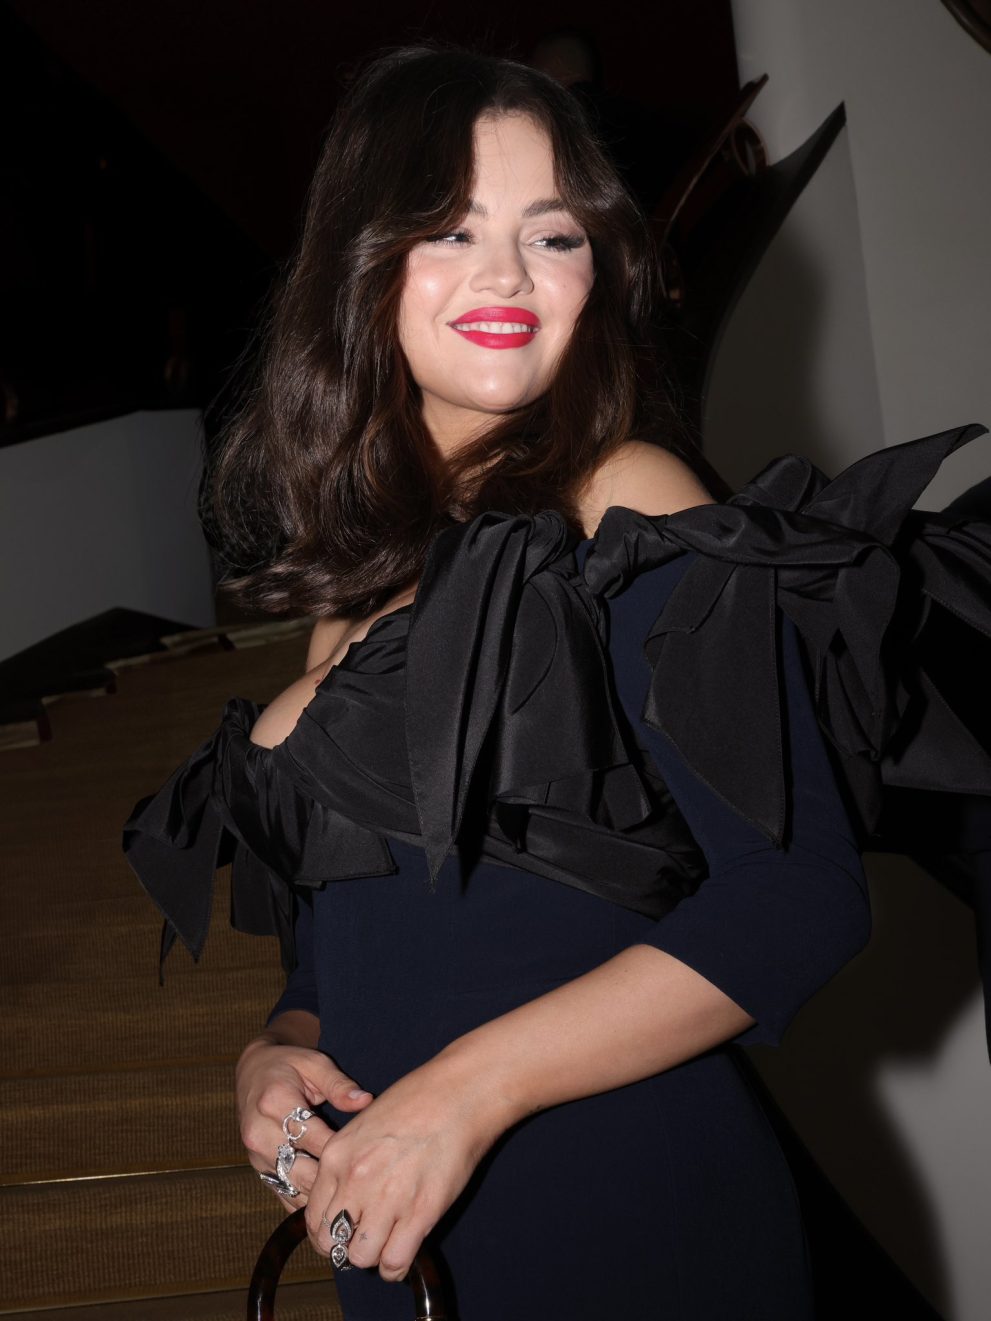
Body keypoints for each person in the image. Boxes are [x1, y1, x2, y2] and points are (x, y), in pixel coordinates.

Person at [122, 43, 991, 1321]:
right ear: (361, 264)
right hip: (404, 1228)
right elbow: (354, 945)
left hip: (626, 1214)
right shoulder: (354, 587)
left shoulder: (627, 502)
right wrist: (280, 1050)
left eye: (552, 234)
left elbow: (796, 896)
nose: (506, 275)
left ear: (598, 269)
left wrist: (466, 1093)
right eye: (451, 228)